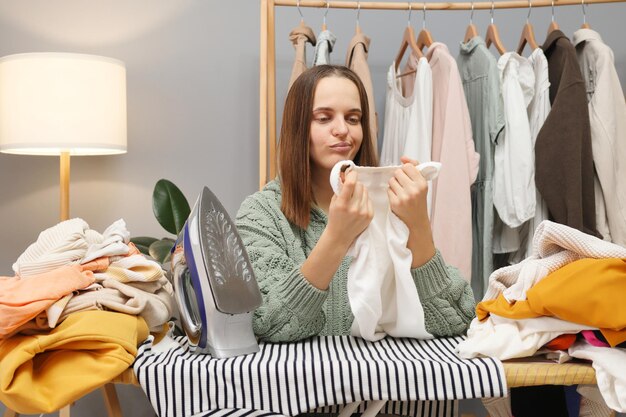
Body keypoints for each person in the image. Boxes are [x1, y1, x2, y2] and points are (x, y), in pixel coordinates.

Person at [236, 65, 475, 342]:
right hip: (297, 384)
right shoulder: (261, 214)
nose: (342, 130)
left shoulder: (392, 203)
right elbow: (268, 323)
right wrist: (337, 237)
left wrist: (418, 225)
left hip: (382, 382)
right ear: (297, 127)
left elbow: (459, 320)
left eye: (353, 118)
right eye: (324, 118)